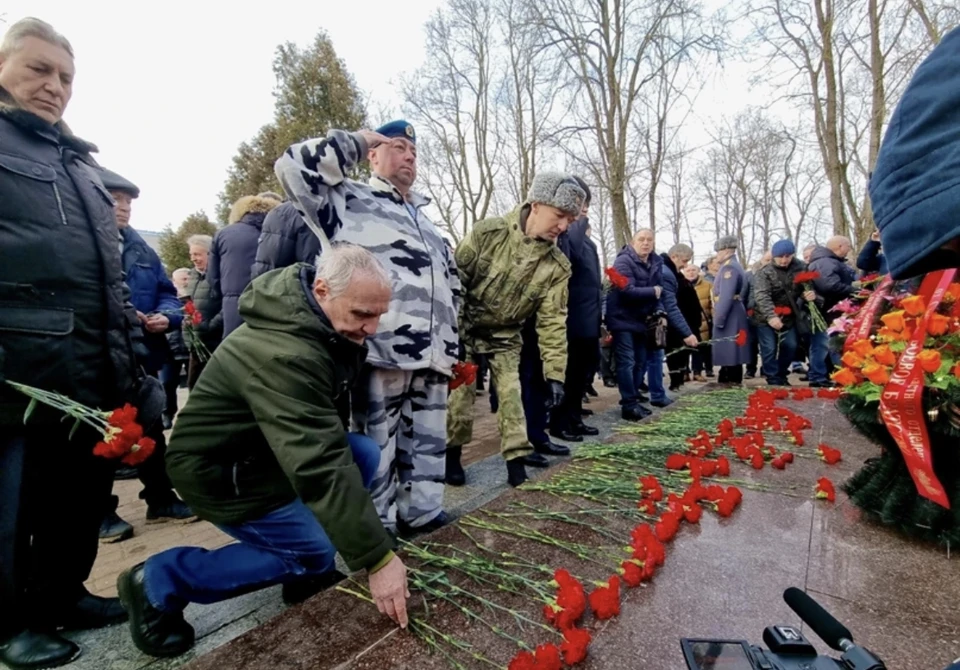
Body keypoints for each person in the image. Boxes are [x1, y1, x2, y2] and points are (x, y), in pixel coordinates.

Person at [117, 245, 410, 658]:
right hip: (221, 472)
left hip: (261, 454)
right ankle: (159, 580)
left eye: (379, 314)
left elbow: (322, 437)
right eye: (363, 314)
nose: (372, 327)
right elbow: (318, 461)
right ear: (322, 289)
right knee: (312, 550)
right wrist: (378, 559)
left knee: (360, 451)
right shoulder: (284, 352)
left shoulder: (318, 324)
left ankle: (303, 571)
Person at [0, 18, 162, 669]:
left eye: (65, 76)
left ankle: (62, 595)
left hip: (87, 366)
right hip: (16, 369)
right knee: (10, 510)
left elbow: (107, 275)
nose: (54, 86)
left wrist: (127, 368)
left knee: (78, 497)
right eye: (38, 69)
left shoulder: (81, 163)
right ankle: (10, 624)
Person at [274, 122, 460, 537]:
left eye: (414, 150)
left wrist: (452, 344)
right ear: (374, 154)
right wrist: (355, 142)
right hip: (379, 349)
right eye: (398, 146)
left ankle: (423, 514)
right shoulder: (348, 199)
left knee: (428, 443)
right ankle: (379, 528)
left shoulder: (427, 223)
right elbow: (291, 168)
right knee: (378, 445)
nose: (410, 155)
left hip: (432, 353)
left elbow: (451, 284)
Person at [446, 173, 583, 487]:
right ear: (536, 206)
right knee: (460, 399)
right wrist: (450, 335)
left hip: (506, 336)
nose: (563, 226)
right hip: (465, 330)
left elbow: (552, 321)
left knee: (512, 396)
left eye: (570, 220)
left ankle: (515, 460)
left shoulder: (557, 266)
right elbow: (454, 284)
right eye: (559, 216)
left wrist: (555, 375)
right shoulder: (488, 234)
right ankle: (451, 455)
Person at [97, 167, 195, 544]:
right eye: (114, 199)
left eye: (128, 202)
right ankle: (100, 512)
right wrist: (122, 314)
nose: (123, 208)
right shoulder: (81, 239)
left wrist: (165, 317)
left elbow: (167, 293)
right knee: (103, 433)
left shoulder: (138, 246)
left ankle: (160, 498)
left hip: (141, 356)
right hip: (97, 355)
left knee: (151, 425)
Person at [551, 177, 602, 440]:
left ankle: (574, 417)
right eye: (581, 204)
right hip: (573, 319)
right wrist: (579, 220)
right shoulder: (570, 232)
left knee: (581, 373)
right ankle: (560, 423)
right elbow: (570, 258)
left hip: (589, 319)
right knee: (569, 374)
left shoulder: (587, 238)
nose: (584, 210)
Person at [605, 229, 663, 421]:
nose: (645, 243)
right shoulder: (623, 261)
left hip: (641, 319)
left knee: (640, 361)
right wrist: (653, 292)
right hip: (621, 317)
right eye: (641, 239)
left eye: (649, 240)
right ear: (632, 242)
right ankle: (628, 405)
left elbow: (661, 291)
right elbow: (627, 290)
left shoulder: (656, 262)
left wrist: (659, 309)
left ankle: (634, 399)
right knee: (627, 361)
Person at [207, 194, 280, 337]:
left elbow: (213, 278)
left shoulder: (224, 234)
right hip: (274, 306)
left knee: (237, 352)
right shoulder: (281, 230)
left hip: (235, 308)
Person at [752, 239, 820, 387]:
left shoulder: (801, 267)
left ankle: (782, 373)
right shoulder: (764, 272)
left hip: (789, 315)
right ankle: (773, 377)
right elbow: (762, 296)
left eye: (787, 256)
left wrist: (808, 295)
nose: (784, 260)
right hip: (765, 317)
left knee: (791, 345)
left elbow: (805, 287)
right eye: (780, 257)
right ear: (774, 256)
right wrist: (771, 316)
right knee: (769, 347)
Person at [660, 244, 701, 395]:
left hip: (683, 320)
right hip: (674, 322)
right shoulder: (667, 273)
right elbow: (671, 304)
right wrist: (685, 330)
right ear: (674, 257)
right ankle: (673, 383)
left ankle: (679, 380)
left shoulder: (676, 274)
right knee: (673, 352)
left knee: (681, 352)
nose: (685, 265)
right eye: (684, 261)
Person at [184, 234, 223, 389]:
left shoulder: (220, 275)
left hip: (216, 343)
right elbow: (188, 306)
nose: (193, 258)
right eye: (192, 254)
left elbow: (228, 305)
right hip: (197, 345)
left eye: (198, 254)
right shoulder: (192, 276)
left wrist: (210, 326)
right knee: (194, 388)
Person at [711, 236, 750, 384]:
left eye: (719, 251)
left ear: (726, 250)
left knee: (731, 354)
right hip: (733, 311)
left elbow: (726, 296)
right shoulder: (733, 265)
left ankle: (729, 386)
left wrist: (719, 319)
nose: (717, 255)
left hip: (729, 314)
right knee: (731, 354)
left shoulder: (729, 268)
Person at [684, 264, 713, 381]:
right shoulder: (680, 284)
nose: (691, 273)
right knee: (684, 348)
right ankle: (685, 372)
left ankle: (697, 371)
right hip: (684, 321)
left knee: (698, 347)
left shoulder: (708, 285)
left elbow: (712, 304)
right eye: (688, 270)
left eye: (693, 270)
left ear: (698, 271)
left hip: (701, 322)